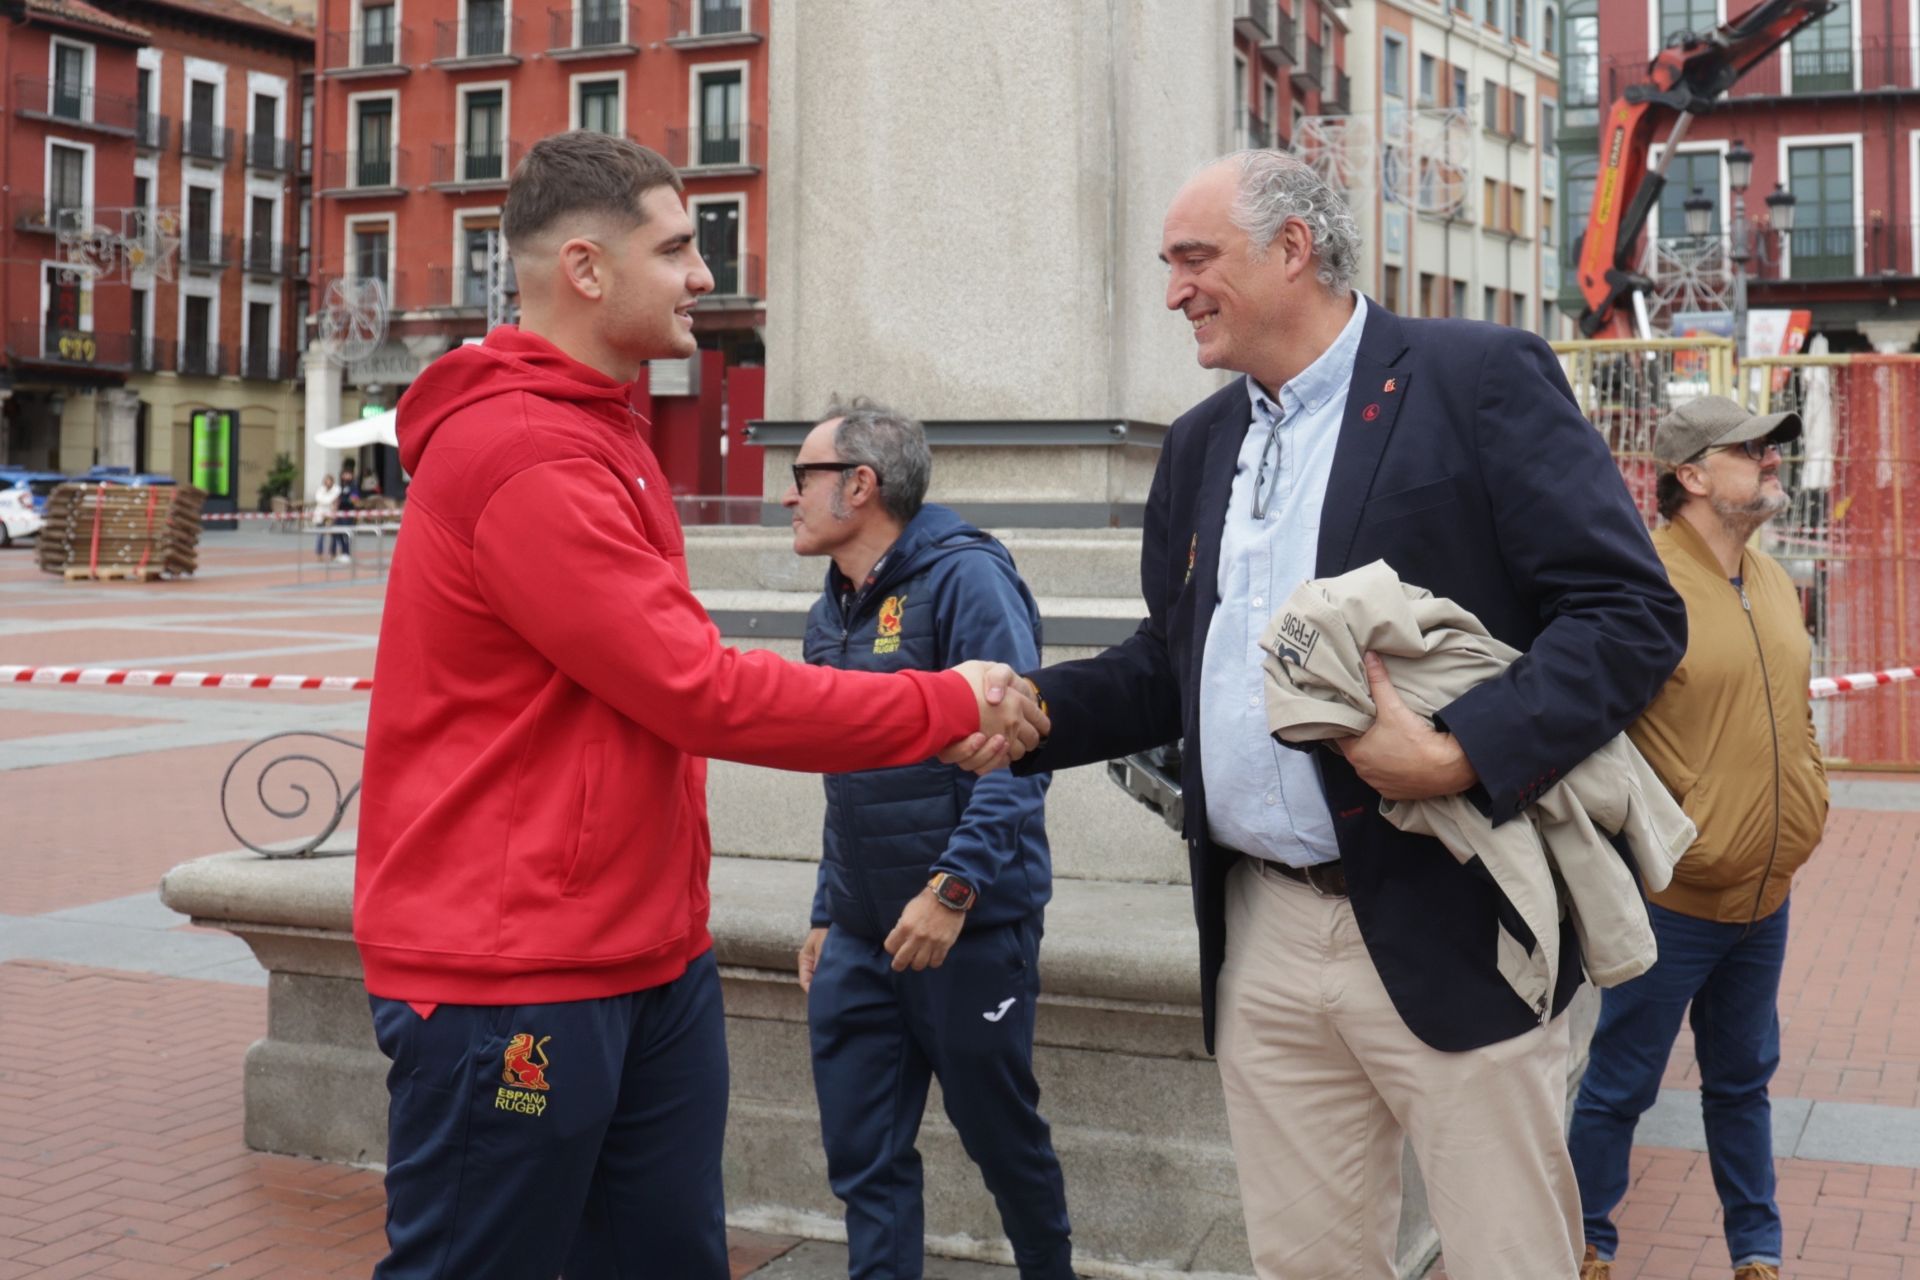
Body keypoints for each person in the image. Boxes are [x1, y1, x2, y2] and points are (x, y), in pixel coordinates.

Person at [355, 132, 1048, 1280]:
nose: (703, 274)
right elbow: (698, 690)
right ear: (586, 268)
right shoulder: (529, 455)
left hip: (643, 956)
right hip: (517, 970)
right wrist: (943, 700)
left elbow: (665, 676)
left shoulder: (602, 436)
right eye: (677, 247)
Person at [999, 150, 1688, 1279]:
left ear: (1292, 249)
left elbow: (1628, 612)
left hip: (1457, 912)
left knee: (1511, 1256)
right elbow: (1173, 665)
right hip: (1264, 927)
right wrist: (1032, 708)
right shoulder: (1200, 443)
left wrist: (1460, 751)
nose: (1173, 290)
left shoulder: (1477, 377)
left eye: (1194, 259)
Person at [787, 400, 1073, 1280]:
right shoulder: (829, 609)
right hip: (864, 934)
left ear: (860, 486)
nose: (788, 497)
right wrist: (829, 910)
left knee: (1001, 1141)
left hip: (966, 928)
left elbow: (1022, 758)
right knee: (864, 1157)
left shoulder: (968, 581)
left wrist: (952, 891)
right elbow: (846, 779)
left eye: (803, 477)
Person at [1569, 396, 1829, 1280]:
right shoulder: (1645, 584)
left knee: (1743, 1082)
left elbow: (1793, 709)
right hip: (1673, 899)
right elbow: (1591, 732)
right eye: (1750, 449)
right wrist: (1669, 829)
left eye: (1770, 449)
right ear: (1690, 476)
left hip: (1768, 892)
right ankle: (1586, 1243)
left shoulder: (1768, 578)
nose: (1770, 461)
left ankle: (1756, 1252)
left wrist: (1809, 798)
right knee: (1619, 1086)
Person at [310, 473, 346, 560]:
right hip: (320, 514)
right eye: (326, 481)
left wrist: (327, 500)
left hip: (331, 513)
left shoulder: (337, 489)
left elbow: (331, 499)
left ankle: (332, 553)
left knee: (333, 534)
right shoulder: (320, 489)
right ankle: (319, 554)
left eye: (329, 481)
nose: (328, 482)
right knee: (320, 534)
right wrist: (327, 500)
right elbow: (319, 498)